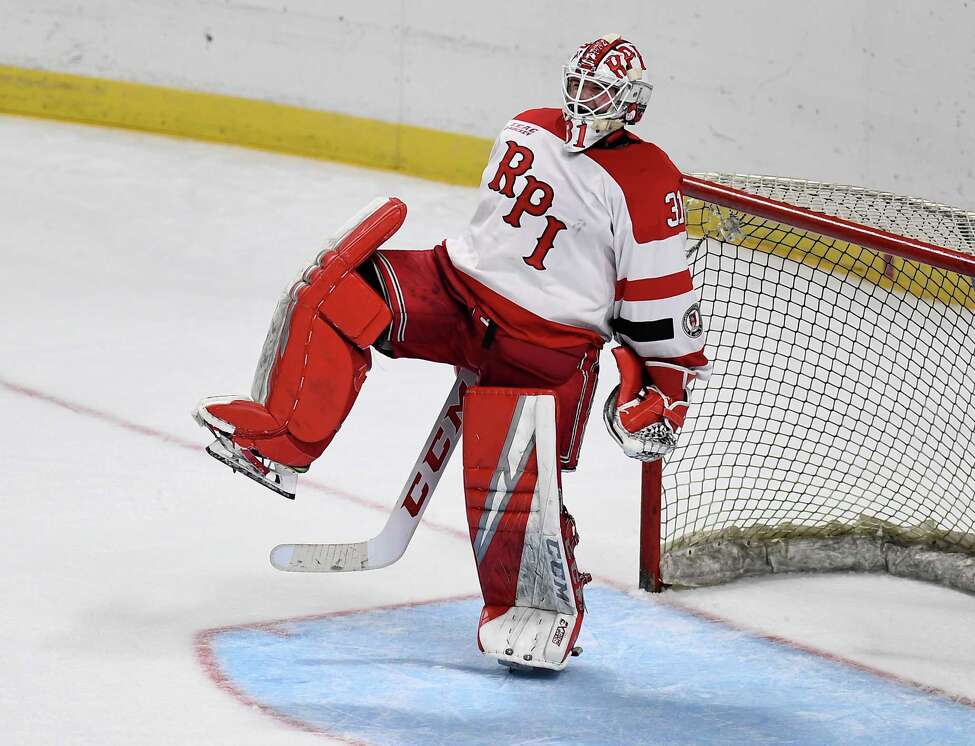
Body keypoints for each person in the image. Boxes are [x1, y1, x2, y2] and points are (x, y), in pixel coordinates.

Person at [194, 33, 709, 671]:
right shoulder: (525, 126)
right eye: (578, 83)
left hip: (541, 344)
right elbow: (493, 235)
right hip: (454, 290)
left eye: (600, 90)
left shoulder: (646, 177)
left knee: (509, 491)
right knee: (339, 290)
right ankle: (284, 441)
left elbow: (657, 293)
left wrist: (665, 380)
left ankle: (541, 611)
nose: (583, 99)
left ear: (629, 105)